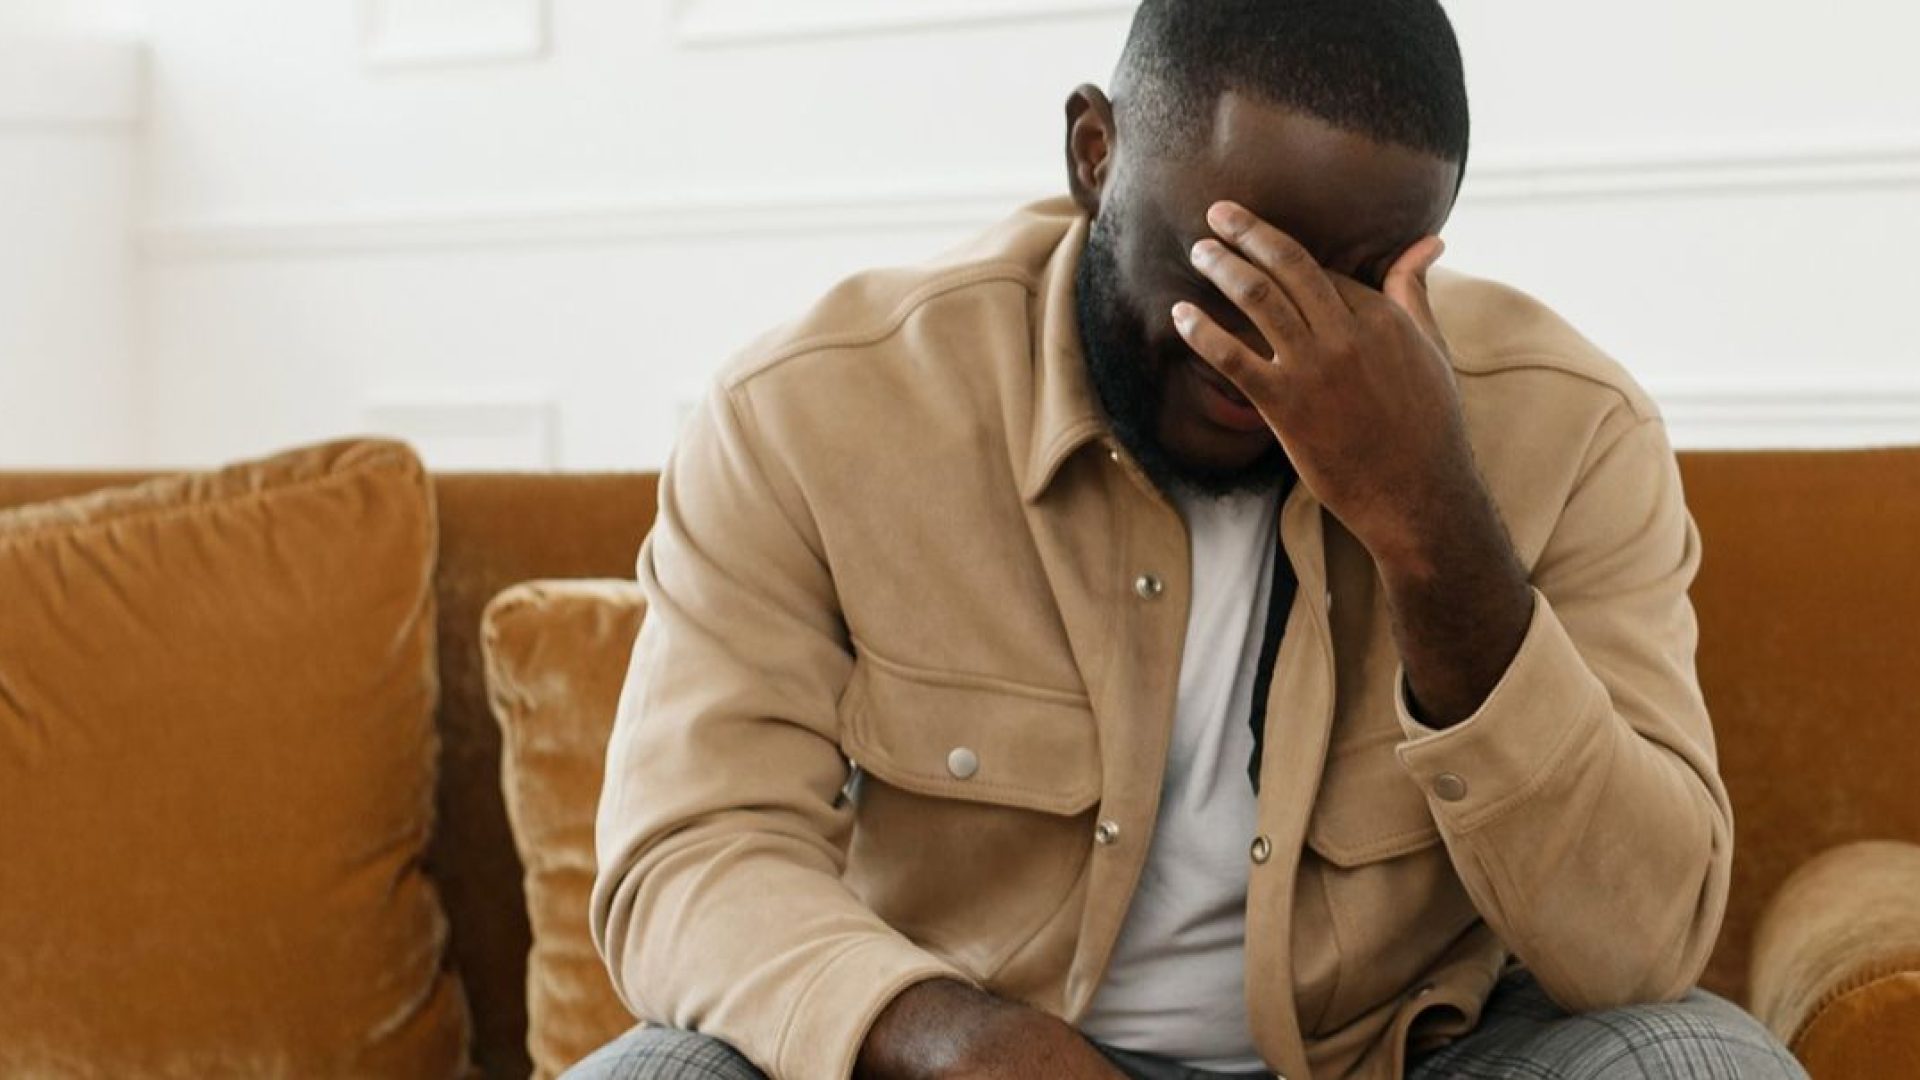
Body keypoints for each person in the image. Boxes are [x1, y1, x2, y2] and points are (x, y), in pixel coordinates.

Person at [574, 2, 1807, 1077]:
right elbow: (688, 853)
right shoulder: (815, 410)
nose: (1274, 346)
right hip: (970, 1049)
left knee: (1701, 1061)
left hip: (1400, 1057)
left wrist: (1436, 526)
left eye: (1358, 283)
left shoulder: (1573, 428)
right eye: (1230, 262)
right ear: (1094, 154)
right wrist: (945, 1039)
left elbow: (1639, 949)